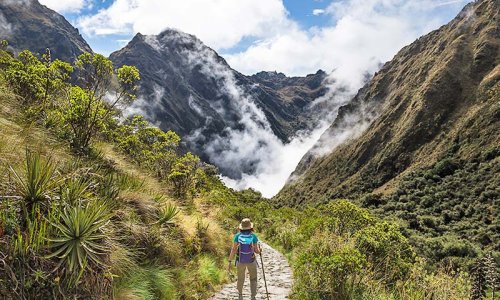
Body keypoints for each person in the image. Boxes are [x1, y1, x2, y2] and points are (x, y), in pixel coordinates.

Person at [228, 218, 261, 300]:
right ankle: (253, 296)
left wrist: (229, 260)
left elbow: (234, 249)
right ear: (250, 227)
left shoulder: (237, 236)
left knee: (240, 278)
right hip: (251, 260)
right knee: (253, 278)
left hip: (240, 260)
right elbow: (256, 251)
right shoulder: (253, 236)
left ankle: (240, 295)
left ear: (241, 227)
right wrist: (260, 250)